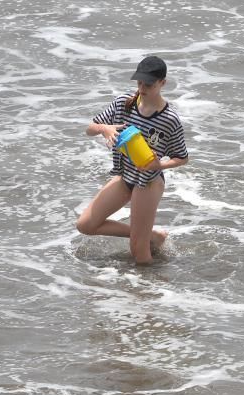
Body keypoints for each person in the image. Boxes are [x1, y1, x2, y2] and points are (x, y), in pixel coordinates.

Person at [77, 56, 189, 264]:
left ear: (162, 83)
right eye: (139, 82)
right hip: (124, 175)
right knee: (85, 225)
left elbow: (181, 157)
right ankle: (152, 236)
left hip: (149, 181)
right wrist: (104, 128)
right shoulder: (123, 104)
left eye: (149, 84)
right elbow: (89, 129)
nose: (142, 88)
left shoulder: (169, 119)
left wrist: (160, 164)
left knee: (139, 252)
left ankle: (147, 292)